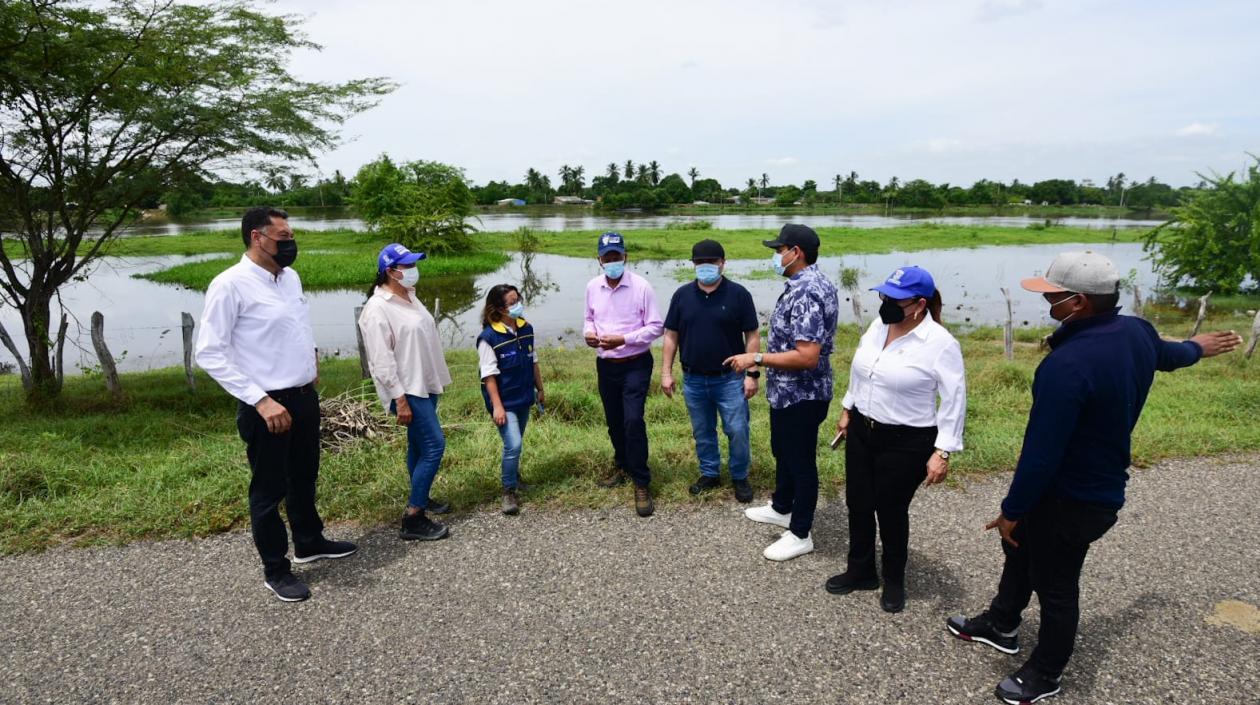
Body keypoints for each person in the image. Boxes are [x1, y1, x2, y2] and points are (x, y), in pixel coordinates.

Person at [944, 251, 1243, 704]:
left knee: (1057, 584)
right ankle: (1001, 623)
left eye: (1054, 297)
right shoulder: (1135, 330)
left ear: (1080, 302)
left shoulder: (1067, 367)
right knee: (1020, 548)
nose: (1048, 303)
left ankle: (1046, 673)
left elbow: (1041, 454)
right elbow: (1170, 354)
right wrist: (1200, 347)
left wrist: (1011, 510)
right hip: (1089, 486)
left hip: (1073, 495)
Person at [195, 207, 357, 603]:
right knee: (268, 491)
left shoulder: (290, 278)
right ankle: (276, 569)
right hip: (266, 405)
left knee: (304, 476)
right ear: (257, 237)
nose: (290, 243)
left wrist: (311, 360)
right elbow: (210, 353)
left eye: (291, 235)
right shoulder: (230, 285)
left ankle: (309, 541)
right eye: (283, 237)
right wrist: (260, 400)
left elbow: (296, 325)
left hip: (302, 396)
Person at [825, 266, 966, 613]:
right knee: (857, 503)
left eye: (894, 300)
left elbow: (954, 399)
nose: (885, 303)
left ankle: (894, 579)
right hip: (862, 429)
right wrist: (847, 408)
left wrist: (943, 451)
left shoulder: (940, 344)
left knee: (890, 510)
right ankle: (860, 571)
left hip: (907, 441)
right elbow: (863, 372)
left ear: (919, 304)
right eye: (884, 296)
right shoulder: (878, 327)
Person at [726, 224, 838, 561]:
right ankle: (782, 506)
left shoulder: (807, 291)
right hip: (787, 391)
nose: (777, 256)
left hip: (802, 393)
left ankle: (801, 532)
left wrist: (755, 357)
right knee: (784, 451)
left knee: (800, 461)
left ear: (796, 252)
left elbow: (807, 355)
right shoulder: (807, 283)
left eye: (779, 250)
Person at [358, 243, 454, 542]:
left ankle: (421, 495)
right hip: (407, 389)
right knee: (435, 446)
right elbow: (381, 361)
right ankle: (413, 517)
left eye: (414, 264)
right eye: (407, 266)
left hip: (424, 382)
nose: (413, 270)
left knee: (417, 446)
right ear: (390, 271)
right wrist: (399, 398)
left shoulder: (410, 297)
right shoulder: (377, 309)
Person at [661, 238, 760, 503]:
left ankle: (739, 476)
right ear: (693, 265)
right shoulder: (682, 295)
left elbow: (752, 335)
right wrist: (666, 372)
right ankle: (710, 473)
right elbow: (671, 336)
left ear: (722, 264)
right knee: (703, 431)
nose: (706, 267)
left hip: (730, 379)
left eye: (711, 262)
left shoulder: (739, 294)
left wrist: (752, 373)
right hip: (693, 378)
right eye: (700, 262)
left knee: (737, 429)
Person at [583, 231, 664, 517]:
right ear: (599, 260)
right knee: (614, 421)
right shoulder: (593, 286)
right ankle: (622, 464)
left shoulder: (642, 287)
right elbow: (589, 318)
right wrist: (589, 334)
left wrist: (624, 339)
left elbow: (656, 327)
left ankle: (641, 481)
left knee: (633, 420)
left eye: (617, 256)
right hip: (606, 364)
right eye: (607, 257)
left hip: (635, 363)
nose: (612, 261)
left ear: (625, 257)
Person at [477, 284, 545, 515]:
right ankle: (508, 491)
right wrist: (497, 407)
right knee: (513, 444)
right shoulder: (488, 338)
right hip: (504, 403)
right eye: (512, 302)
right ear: (498, 308)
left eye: (518, 300)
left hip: (524, 396)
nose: (517, 305)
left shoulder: (527, 329)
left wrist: (540, 388)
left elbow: (533, 360)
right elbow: (488, 376)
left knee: (517, 441)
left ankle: (514, 477)